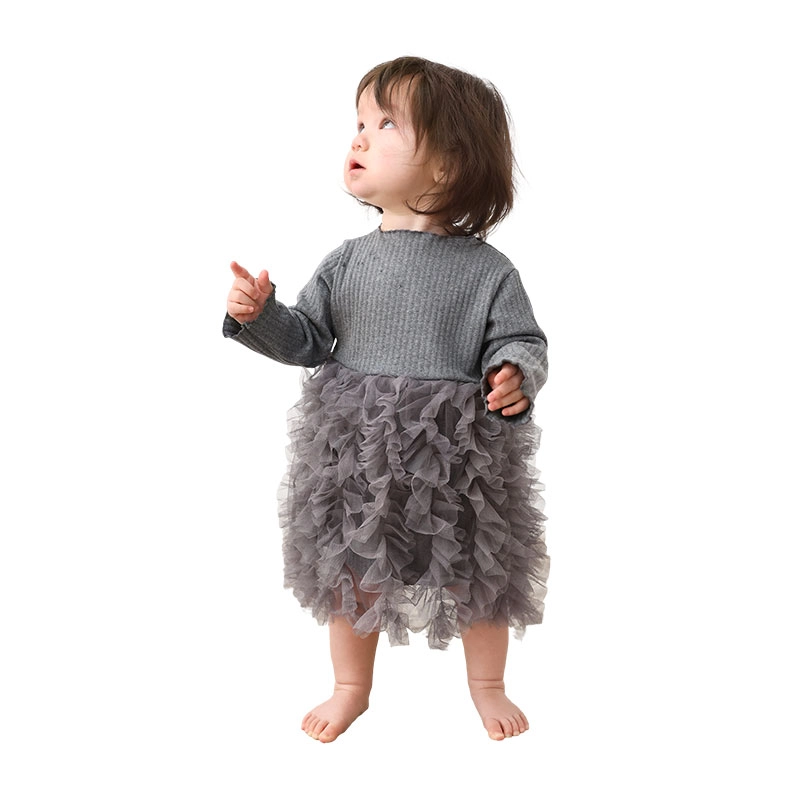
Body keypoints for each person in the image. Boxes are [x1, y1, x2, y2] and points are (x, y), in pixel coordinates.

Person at [223, 56, 549, 743]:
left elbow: (521, 338)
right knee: (353, 565)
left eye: (385, 124)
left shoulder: (488, 271)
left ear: (447, 164)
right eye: (360, 123)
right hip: (358, 450)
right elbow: (308, 339)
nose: (360, 137)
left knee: (478, 569)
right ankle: (351, 686)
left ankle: (487, 684)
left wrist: (513, 372)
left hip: (456, 456)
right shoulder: (347, 260)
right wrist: (260, 315)